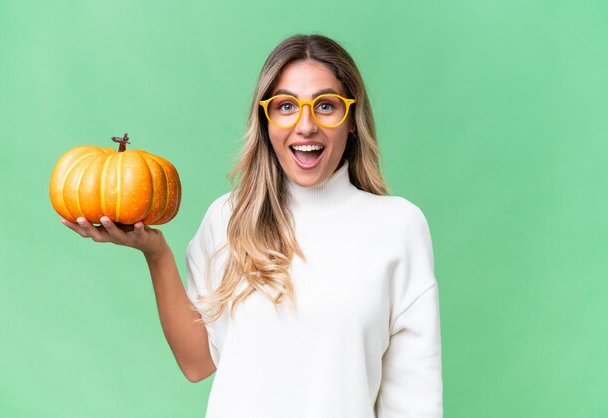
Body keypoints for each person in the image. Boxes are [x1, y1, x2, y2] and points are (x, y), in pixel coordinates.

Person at [61, 34, 443, 418]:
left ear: (353, 120)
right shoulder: (227, 218)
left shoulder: (398, 226)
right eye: (285, 106)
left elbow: (414, 397)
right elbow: (197, 363)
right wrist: (156, 253)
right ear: (265, 121)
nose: (305, 125)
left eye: (326, 105)